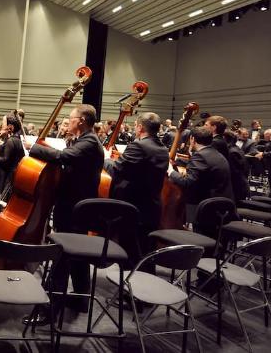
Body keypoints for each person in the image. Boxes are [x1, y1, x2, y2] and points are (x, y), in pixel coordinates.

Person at [25, 104, 103, 312]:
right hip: (76, 206)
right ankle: (81, 299)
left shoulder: (89, 142)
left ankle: (50, 308)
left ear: (82, 121)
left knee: (62, 255)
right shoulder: (84, 141)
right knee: (77, 255)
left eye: (71, 118)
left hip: (74, 208)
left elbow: (64, 157)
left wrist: (34, 147)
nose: (68, 122)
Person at [103, 112, 169, 262]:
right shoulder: (163, 148)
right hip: (152, 206)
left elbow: (117, 170)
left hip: (134, 207)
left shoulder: (139, 145)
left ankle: (128, 280)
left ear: (140, 127)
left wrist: (106, 158)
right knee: (145, 251)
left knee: (131, 251)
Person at [168, 127, 233, 224]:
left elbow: (187, 182)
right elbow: (203, 166)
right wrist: (179, 160)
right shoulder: (216, 153)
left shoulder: (200, 156)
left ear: (192, 139)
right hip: (223, 203)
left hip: (207, 207)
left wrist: (170, 171)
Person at [0, 112, 25, 197]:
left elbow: (5, 160)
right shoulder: (19, 138)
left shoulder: (11, 141)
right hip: (9, 175)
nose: (2, 125)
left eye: (4, 123)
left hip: (3, 176)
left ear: (11, 126)